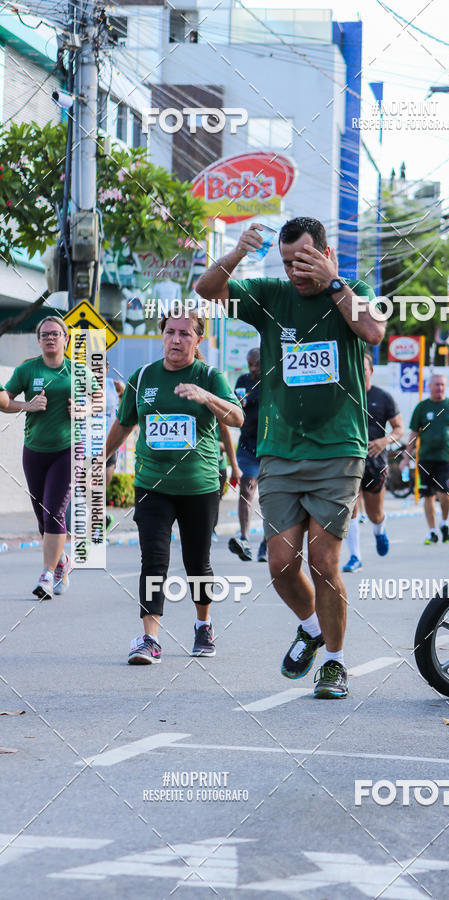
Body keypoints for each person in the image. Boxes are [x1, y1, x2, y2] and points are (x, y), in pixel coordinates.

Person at [195, 216, 383, 699]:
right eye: (287, 262)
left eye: (303, 260)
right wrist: (237, 252)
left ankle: (336, 663)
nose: (295, 272)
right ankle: (313, 630)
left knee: (323, 561)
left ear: (324, 253)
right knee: (280, 565)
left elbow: (373, 330)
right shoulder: (271, 296)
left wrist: (333, 282)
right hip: (280, 448)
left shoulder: (351, 289)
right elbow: (207, 289)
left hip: (339, 450)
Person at [104, 309, 243, 664]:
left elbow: (237, 417)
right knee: (154, 559)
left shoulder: (210, 375)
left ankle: (203, 624)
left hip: (199, 486)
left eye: (185, 334)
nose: (176, 339)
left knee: (197, 561)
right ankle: (150, 639)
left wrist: (206, 397)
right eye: (170, 332)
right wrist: (98, 459)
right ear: (162, 335)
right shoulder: (143, 377)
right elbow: (124, 424)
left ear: (198, 341)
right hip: (152, 484)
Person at [3, 316, 73, 599]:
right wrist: (27, 405)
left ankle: (46, 575)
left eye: (56, 333)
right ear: (39, 339)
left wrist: (83, 406)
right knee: (42, 519)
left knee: (54, 510)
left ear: (66, 339)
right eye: (45, 334)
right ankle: (62, 562)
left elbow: (98, 399)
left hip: (67, 450)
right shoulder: (27, 369)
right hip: (34, 451)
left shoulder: (77, 372)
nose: (50, 338)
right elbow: (3, 399)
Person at [343, 352, 404, 572]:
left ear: (371, 371)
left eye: (363, 367)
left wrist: (383, 441)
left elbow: (399, 429)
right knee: (350, 507)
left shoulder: (383, 397)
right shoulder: (344, 395)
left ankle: (379, 531)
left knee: (374, 513)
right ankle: (355, 556)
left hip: (375, 461)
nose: (359, 371)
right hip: (349, 459)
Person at [400, 374, 449, 545]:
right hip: (426, 458)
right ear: (429, 386)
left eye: (443, 385)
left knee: (444, 495)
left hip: (446, 458)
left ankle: (444, 522)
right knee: (428, 495)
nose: (440, 388)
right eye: (437, 384)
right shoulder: (422, 407)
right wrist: (407, 457)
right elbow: (414, 433)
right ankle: (432, 531)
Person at [228, 347, 267, 563]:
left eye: (257, 364)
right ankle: (244, 538)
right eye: (249, 364)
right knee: (247, 487)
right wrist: (237, 405)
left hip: (270, 445)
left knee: (270, 496)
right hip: (247, 445)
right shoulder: (242, 380)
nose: (252, 369)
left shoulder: (272, 381)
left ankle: (267, 543)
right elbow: (234, 410)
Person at [105, 359, 125, 532]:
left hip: (109, 444)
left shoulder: (114, 386)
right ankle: (100, 520)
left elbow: (128, 404)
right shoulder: (80, 386)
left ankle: (100, 522)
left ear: (106, 368)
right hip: (87, 445)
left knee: (101, 485)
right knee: (86, 488)